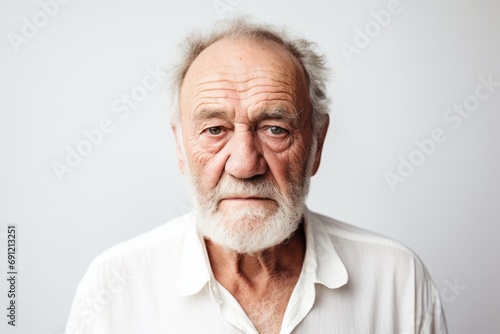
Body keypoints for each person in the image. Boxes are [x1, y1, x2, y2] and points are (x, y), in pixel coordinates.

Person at [66, 18, 447, 334]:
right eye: (215, 130)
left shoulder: (399, 282)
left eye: (275, 128)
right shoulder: (112, 290)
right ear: (181, 148)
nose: (245, 165)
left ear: (317, 142)